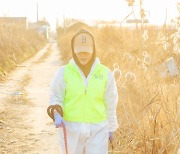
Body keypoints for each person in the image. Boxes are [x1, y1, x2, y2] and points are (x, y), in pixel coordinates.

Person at [49, 29, 118, 154]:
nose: (83, 55)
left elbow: (111, 101)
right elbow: (56, 96)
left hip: (98, 128)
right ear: (74, 51)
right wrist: (56, 111)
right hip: (71, 128)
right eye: (79, 52)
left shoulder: (105, 73)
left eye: (86, 52)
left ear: (93, 50)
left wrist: (111, 126)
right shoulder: (63, 72)